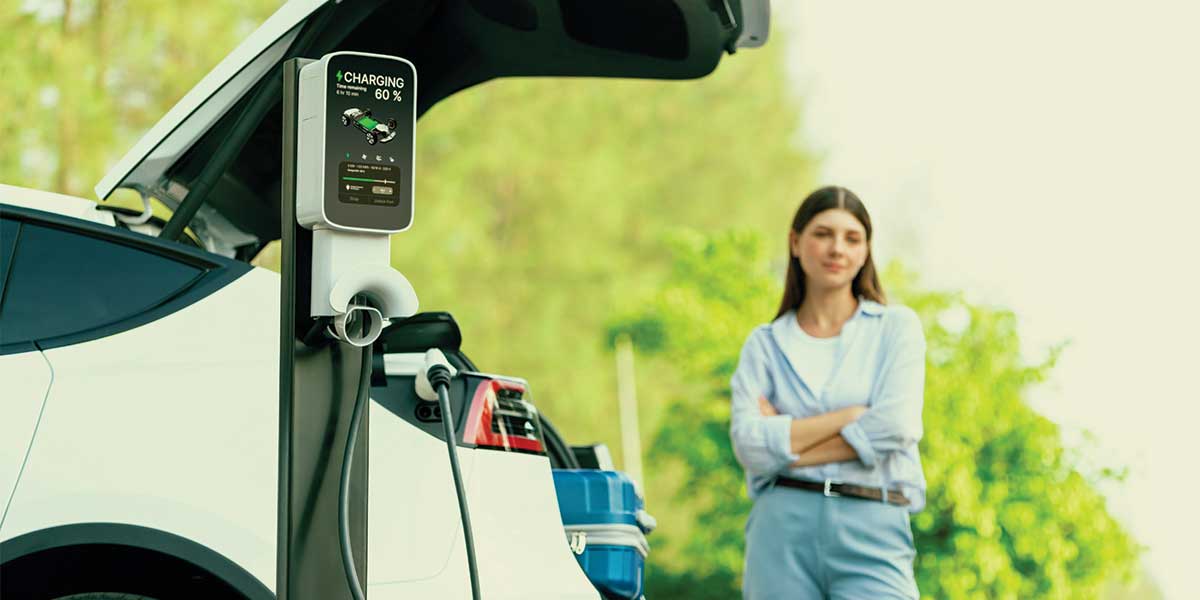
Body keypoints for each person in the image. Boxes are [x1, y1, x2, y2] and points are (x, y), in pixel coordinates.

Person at [731, 186, 926, 599]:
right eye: (823, 234)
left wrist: (785, 450)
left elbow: (897, 426)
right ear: (795, 241)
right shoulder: (764, 345)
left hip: (872, 521)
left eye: (852, 238)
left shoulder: (895, 329)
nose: (837, 248)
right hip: (780, 531)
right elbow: (748, 447)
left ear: (866, 250)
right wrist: (851, 416)